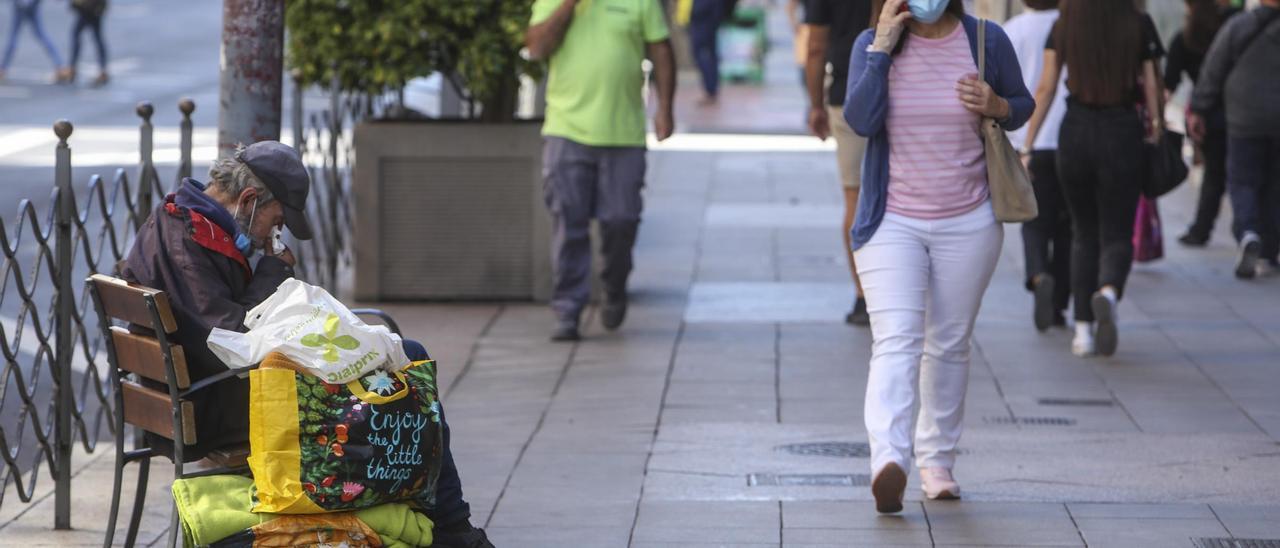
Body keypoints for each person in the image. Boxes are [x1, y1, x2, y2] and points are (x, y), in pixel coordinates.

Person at [121, 142, 494, 548]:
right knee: (407, 363)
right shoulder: (188, 239)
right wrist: (271, 273)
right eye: (274, 223)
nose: (271, 237)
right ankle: (452, 529)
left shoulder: (184, 222)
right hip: (218, 401)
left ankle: (446, 526)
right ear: (248, 201)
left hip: (204, 392)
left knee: (405, 355)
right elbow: (231, 340)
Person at [846, 0, 1033, 513]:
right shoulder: (870, 44)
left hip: (969, 218)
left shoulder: (985, 40)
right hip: (892, 221)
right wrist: (882, 51)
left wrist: (998, 105)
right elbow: (860, 120)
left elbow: (1024, 103)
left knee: (949, 343)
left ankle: (937, 461)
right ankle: (889, 459)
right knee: (897, 339)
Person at [526, 0, 676, 342]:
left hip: (624, 134)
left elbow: (661, 50)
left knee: (621, 220)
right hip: (566, 131)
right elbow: (536, 47)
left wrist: (665, 107)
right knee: (568, 223)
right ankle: (567, 309)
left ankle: (614, 283)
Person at [1023, 0, 1165, 357]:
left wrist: (1028, 141)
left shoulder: (1066, 22)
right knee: (1116, 231)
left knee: (1082, 233)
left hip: (1076, 132)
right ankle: (1108, 291)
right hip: (1121, 131)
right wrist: (1158, 130)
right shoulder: (1139, 23)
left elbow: (1048, 86)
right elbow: (1151, 84)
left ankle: (1082, 331)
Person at [1189, 0, 1280, 279]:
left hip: (1243, 119)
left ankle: (1248, 232)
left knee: (1242, 181)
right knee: (1275, 185)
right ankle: (1268, 252)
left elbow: (1213, 69)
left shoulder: (1239, 25)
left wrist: (1199, 107)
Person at [802, 0, 873, 325]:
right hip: (904, 90)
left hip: (848, 93)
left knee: (854, 195)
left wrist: (815, 104)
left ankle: (863, 294)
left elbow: (815, 46)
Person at [1005, 0, 1070, 331]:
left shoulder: (1013, 31)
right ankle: (1059, 304)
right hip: (1071, 137)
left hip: (1030, 139)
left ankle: (1038, 273)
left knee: (1034, 220)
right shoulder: (1071, 22)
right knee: (1067, 227)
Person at [1167, 0, 1239, 246]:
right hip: (1240, 111)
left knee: (1214, 175)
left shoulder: (1184, 39)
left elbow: (1169, 83)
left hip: (1209, 116)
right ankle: (1252, 231)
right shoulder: (1233, 27)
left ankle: (1202, 229)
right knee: (1249, 176)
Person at [0, 0, 72, 83]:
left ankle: (3, 68)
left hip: (22, 4)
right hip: (30, 3)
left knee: (14, 36)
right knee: (40, 35)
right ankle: (60, 66)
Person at [688, 0, 724, 105]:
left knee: (701, 53)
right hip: (709, 13)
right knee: (708, 53)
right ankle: (711, 90)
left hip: (703, 14)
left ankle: (710, 90)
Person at [69, 0, 109, 86]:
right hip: (93, 8)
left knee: (78, 35)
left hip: (89, 8)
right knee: (97, 38)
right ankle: (103, 70)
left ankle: (73, 68)